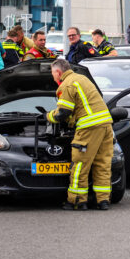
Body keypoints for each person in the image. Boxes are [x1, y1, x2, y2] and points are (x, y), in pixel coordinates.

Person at [46, 58, 114, 210]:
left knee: (80, 165)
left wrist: (47, 116)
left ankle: (77, 201)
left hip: (89, 127)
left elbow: (62, 114)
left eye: (52, 73)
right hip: (106, 125)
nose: (53, 77)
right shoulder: (82, 78)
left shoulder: (67, 84)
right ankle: (103, 201)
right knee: (102, 164)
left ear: (58, 72)